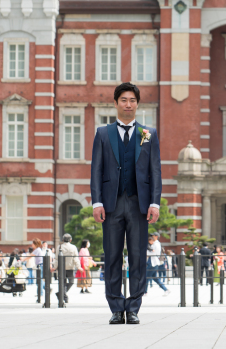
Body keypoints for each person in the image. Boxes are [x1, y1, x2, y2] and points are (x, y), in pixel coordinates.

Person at [90, 82, 163, 325]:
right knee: (111, 256)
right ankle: (115, 306)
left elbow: (155, 171)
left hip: (138, 204)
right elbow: (96, 170)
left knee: (138, 256)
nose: (128, 104)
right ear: (116, 103)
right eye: (123, 100)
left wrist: (155, 203)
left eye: (132, 100)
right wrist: (96, 202)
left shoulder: (148, 134)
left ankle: (133, 307)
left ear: (137, 104)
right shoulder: (103, 133)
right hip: (111, 204)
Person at [57, 233, 80, 304]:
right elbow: (76, 258)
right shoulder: (73, 247)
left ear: (63, 239)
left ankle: (61, 294)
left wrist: (54, 267)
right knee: (71, 282)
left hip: (61, 268)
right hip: (70, 267)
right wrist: (79, 267)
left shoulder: (59, 247)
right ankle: (64, 296)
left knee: (62, 283)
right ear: (71, 240)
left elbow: (56, 259)